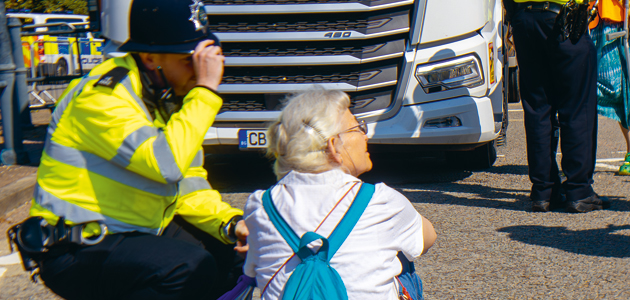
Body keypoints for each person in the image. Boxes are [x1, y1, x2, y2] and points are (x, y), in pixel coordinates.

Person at [20, 0, 248, 299]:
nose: (200, 71)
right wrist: (205, 92)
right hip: (74, 248)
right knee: (185, 268)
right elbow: (167, 165)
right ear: (152, 59)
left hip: (131, 232)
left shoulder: (166, 98)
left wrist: (230, 224)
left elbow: (188, 185)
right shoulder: (103, 97)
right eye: (189, 60)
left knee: (232, 257)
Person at [241, 89, 437, 299]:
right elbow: (427, 239)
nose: (365, 134)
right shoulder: (380, 200)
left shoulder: (260, 205)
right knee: (403, 262)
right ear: (333, 146)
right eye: (357, 128)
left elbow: (251, 270)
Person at [509, 0, 611, 213]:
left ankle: (543, 190)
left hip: (524, 18)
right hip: (563, 18)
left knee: (538, 108)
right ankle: (578, 190)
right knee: (577, 108)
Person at [588, 0, 630, 176]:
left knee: (622, 89)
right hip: (593, 18)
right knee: (584, 89)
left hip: (618, 18)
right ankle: (578, 161)